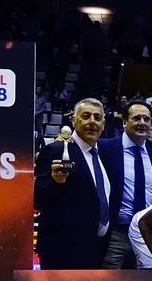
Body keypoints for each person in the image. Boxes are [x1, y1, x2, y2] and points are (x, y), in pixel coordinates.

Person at [34, 98, 111, 269]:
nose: (92, 121)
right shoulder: (57, 150)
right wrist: (55, 182)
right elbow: (37, 198)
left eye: (97, 118)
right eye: (86, 116)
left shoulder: (102, 155)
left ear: (104, 124)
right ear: (74, 120)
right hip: (61, 253)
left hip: (95, 250)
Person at [98, 100, 152, 268]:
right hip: (115, 233)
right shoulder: (104, 148)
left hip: (146, 235)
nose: (142, 123)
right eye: (136, 118)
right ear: (124, 122)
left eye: (146, 119)